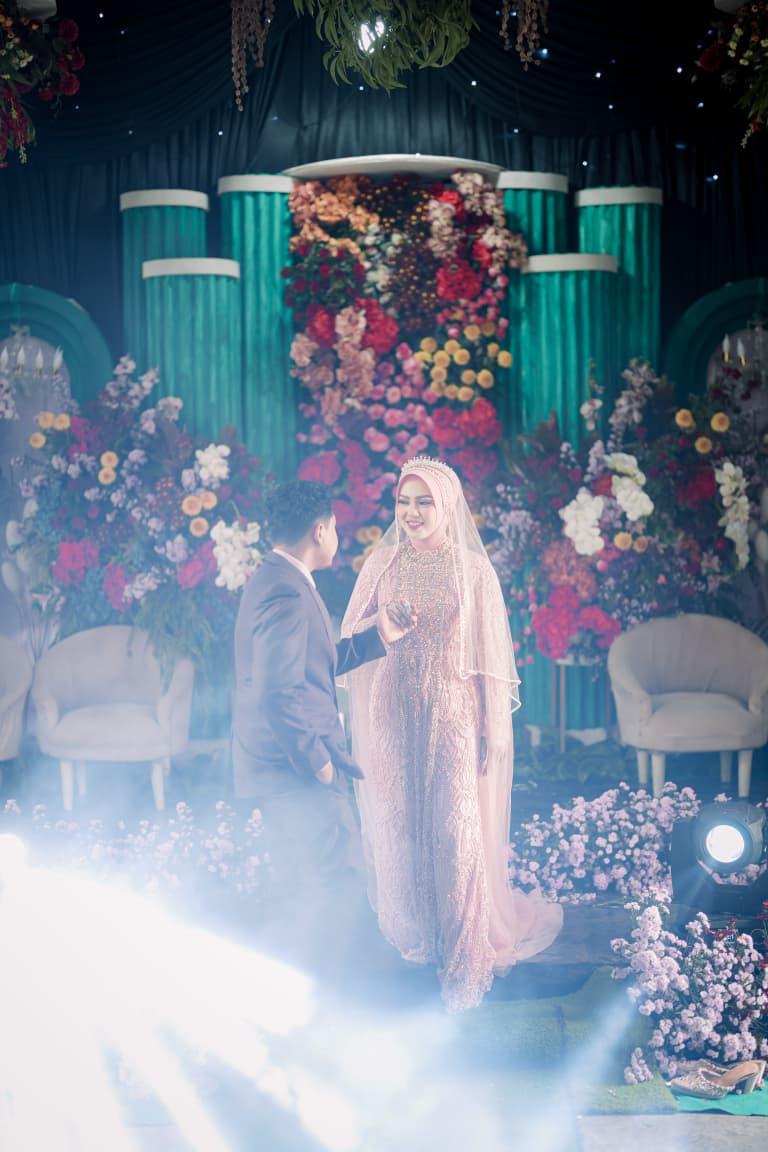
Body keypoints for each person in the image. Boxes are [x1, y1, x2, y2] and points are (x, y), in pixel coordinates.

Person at [341, 456, 563, 1011]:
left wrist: (494, 726)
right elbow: (348, 638)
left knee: (454, 828)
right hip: (393, 712)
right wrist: (379, 623)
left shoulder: (472, 570)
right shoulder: (383, 562)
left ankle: (464, 954)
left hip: (454, 713)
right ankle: (418, 934)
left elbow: (491, 657)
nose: (412, 513)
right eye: (403, 502)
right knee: (401, 821)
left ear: (448, 506)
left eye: (424, 502)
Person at [232, 479, 415, 904]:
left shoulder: (277, 578)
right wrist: (318, 763)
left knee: (310, 889)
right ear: (320, 531)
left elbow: (309, 665)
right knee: (338, 883)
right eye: (334, 528)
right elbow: (277, 692)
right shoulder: (286, 592)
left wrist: (377, 636)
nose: (336, 536)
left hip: (285, 766)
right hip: (294, 769)